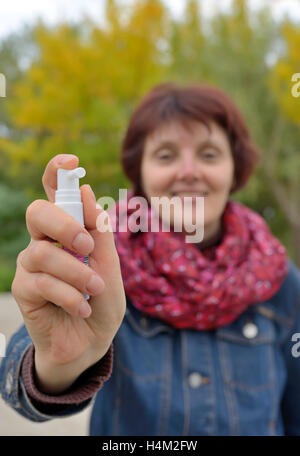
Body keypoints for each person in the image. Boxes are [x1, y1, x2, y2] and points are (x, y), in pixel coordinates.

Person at [1, 82, 300, 436]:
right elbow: (19, 382)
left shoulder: (278, 279)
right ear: (139, 173)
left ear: (235, 170)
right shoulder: (98, 262)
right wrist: (55, 365)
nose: (189, 171)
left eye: (208, 154)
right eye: (166, 155)